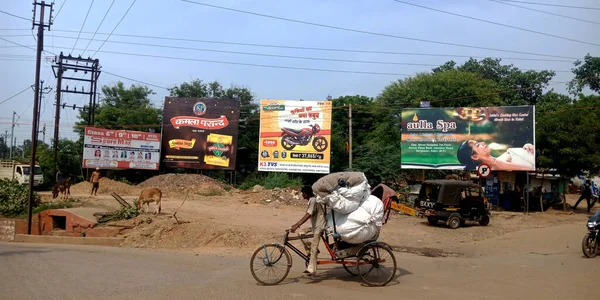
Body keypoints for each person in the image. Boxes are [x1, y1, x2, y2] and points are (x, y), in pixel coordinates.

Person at [290, 186, 326, 276]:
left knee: (314, 246)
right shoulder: (311, 200)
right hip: (314, 225)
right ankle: (311, 252)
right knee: (301, 233)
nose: (302, 195)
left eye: (303, 193)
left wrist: (297, 225)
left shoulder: (313, 200)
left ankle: (311, 269)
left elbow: (308, 214)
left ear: (306, 194)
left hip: (319, 226)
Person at [457, 140, 535, 171]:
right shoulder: (496, 166)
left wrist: (526, 148)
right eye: (477, 145)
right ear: (475, 156)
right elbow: (530, 168)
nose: (483, 143)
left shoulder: (499, 160)